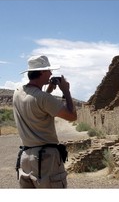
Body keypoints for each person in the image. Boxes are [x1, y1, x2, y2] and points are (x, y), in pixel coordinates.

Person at [13, 55, 77, 188]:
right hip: (46, 158)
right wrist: (66, 91)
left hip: (25, 156)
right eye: (49, 70)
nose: (51, 73)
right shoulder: (44, 99)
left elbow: (38, 105)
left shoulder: (17, 93)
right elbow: (71, 116)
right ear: (42, 72)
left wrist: (49, 89)